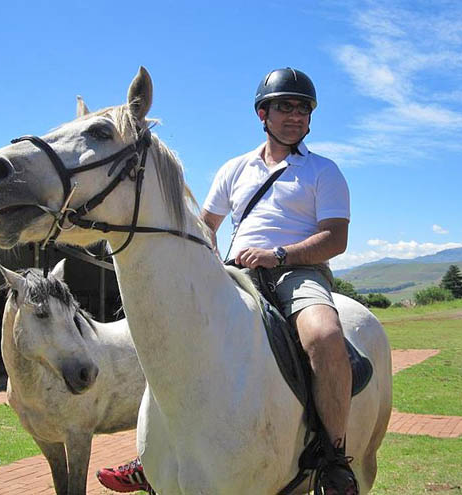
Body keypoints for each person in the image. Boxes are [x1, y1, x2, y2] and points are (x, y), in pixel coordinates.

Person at [97, 67, 358, 495]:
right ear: (263, 113)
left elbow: (336, 237)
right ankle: (155, 452)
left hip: (298, 272)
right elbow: (206, 226)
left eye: (303, 109)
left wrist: (280, 254)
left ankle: (333, 457)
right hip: (238, 272)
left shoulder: (323, 172)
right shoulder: (235, 169)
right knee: (172, 339)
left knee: (324, 335)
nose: (295, 116)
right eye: (285, 106)